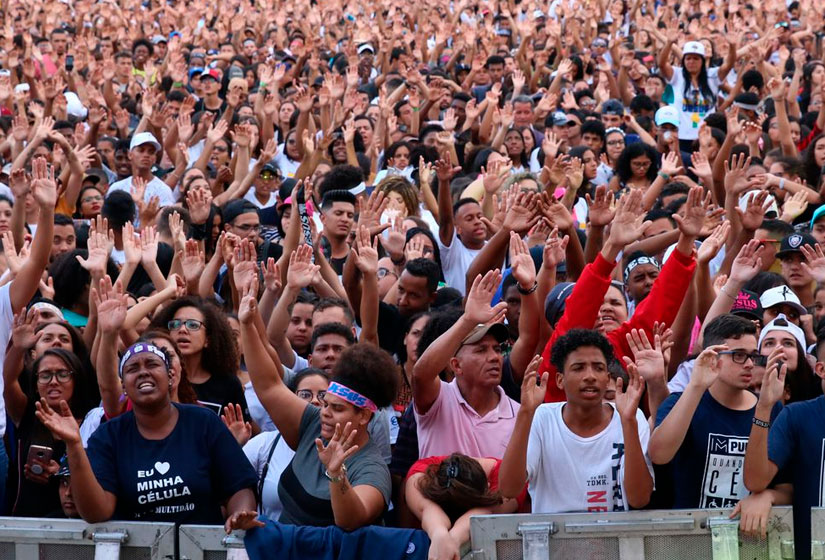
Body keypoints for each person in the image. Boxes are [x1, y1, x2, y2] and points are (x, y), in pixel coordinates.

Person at [36, 341, 262, 532]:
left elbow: (239, 486)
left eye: (152, 364)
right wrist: (74, 445)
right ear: (123, 386)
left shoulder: (204, 422)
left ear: (170, 377)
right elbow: (97, 512)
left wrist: (240, 514)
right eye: (133, 368)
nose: (143, 371)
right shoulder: (108, 435)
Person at [239, 277, 399, 529]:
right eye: (325, 403)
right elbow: (269, 385)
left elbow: (350, 520)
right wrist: (247, 324)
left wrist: (337, 475)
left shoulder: (372, 468)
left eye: (337, 409)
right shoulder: (313, 422)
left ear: (364, 416)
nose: (324, 413)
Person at [499, 330, 653, 513]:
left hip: (614, 540)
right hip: (553, 540)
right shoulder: (542, 418)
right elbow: (508, 490)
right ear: (560, 380)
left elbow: (640, 499)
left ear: (607, 379)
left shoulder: (631, 417)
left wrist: (628, 422)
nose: (590, 376)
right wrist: (525, 411)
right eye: (578, 367)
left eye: (599, 368)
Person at [649, 315, 782, 508]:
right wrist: (696, 386)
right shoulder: (681, 401)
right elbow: (659, 455)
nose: (749, 364)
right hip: (692, 532)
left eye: (753, 355)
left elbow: (786, 484)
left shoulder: (770, 407)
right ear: (712, 355)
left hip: (751, 532)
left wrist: (768, 496)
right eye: (738, 355)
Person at [412, 270, 519, 459]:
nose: (494, 357)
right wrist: (468, 320)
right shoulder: (439, 399)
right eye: (481, 350)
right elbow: (421, 375)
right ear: (456, 365)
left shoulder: (518, 414)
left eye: (497, 349)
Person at [243, 368, 330, 520]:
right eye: (305, 394)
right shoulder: (263, 444)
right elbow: (234, 487)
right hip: (270, 540)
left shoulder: (345, 447)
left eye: (323, 395)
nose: (315, 400)